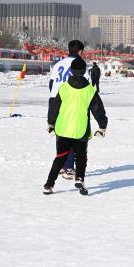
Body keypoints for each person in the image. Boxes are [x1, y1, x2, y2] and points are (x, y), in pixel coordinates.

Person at [44, 58, 107, 195]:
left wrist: (50, 123)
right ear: (85, 72)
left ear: (71, 71)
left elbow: (54, 107)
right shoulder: (90, 91)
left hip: (63, 128)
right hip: (80, 129)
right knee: (81, 157)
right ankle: (79, 178)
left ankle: (48, 185)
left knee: (60, 157)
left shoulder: (64, 88)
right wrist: (102, 127)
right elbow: (98, 110)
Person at [48, 40, 85, 179]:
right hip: (70, 100)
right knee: (72, 133)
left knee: (61, 134)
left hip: (54, 99)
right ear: (80, 51)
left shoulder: (58, 64)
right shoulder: (79, 64)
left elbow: (51, 84)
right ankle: (68, 167)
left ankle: (62, 165)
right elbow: (84, 84)